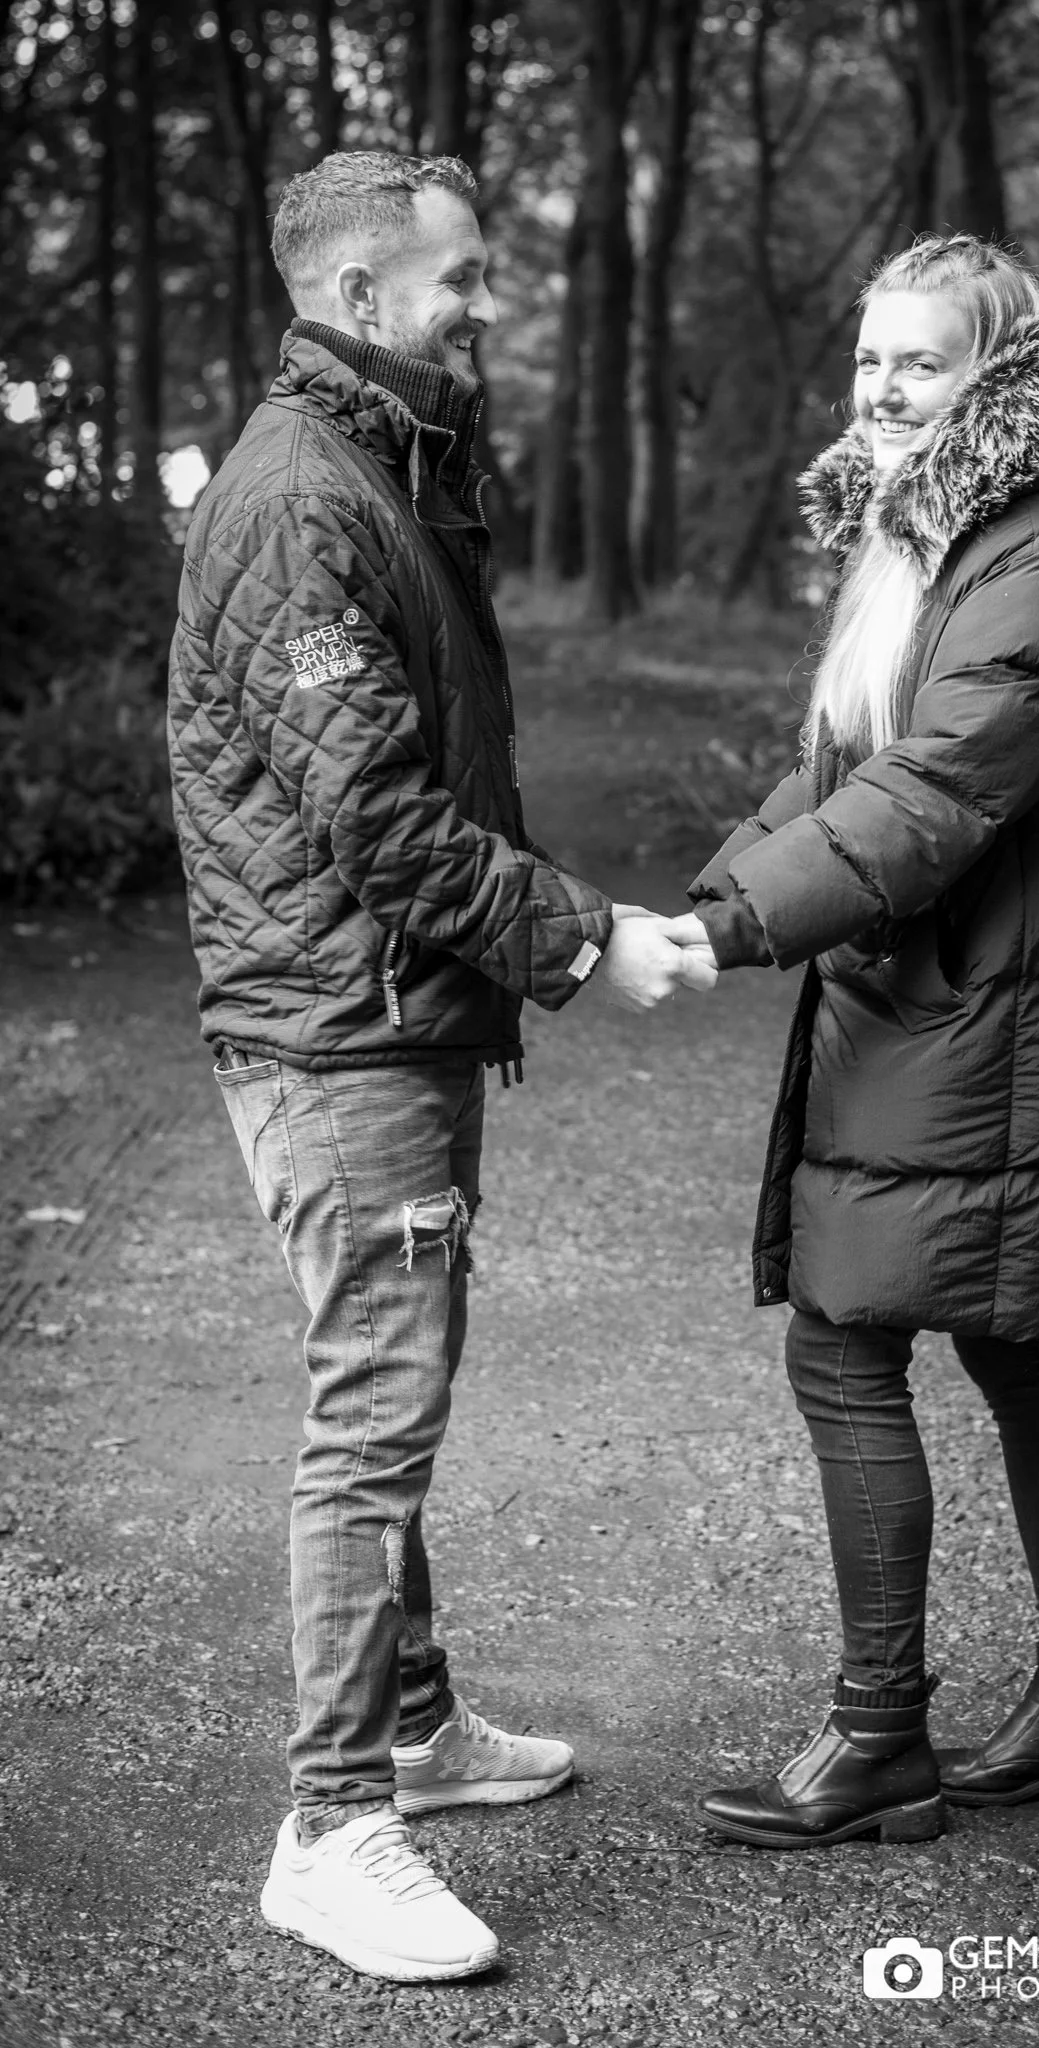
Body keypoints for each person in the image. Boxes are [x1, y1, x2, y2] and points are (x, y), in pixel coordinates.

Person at [166, 149, 714, 1980]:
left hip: (374, 1017)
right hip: (343, 1034)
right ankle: (332, 1827)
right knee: (371, 1425)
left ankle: (412, 1726)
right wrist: (577, 937)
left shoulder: (384, 461)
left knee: (380, 1402)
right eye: (461, 278)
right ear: (357, 296)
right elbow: (382, 824)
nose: (486, 302)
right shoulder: (301, 501)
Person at [662, 233, 1039, 1849]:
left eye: (919, 362)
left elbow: (934, 791)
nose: (880, 390)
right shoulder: (939, 526)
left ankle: (881, 1735)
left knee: (846, 1338)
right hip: (953, 998)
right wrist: (712, 900)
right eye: (867, 359)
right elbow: (841, 770)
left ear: (997, 374)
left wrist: (736, 929)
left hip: (988, 1012)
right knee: (1011, 1335)